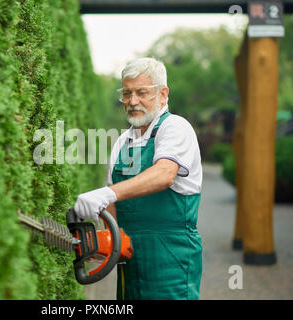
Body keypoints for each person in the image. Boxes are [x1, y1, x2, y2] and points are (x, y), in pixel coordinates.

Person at [73, 57, 203, 300]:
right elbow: (113, 204)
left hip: (171, 259)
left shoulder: (175, 127)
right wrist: (105, 241)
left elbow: (165, 173)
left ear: (163, 95)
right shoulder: (122, 142)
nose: (132, 101)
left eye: (141, 93)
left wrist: (107, 194)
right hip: (129, 263)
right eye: (127, 93)